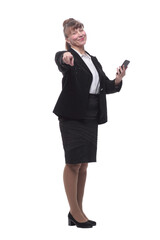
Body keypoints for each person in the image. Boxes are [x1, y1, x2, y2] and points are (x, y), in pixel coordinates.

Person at [53, 18, 126, 228]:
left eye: (81, 29)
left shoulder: (92, 59)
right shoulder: (69, 57)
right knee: (73, 162)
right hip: (73, 115)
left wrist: (118, 79)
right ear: (67, 39)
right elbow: (59, 59)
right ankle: (75, 212)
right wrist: (64, 55)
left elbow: (105, 86)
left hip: (91, 115)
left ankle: (77, 210)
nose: (80, 34)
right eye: (74, 32)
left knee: (83, 164)